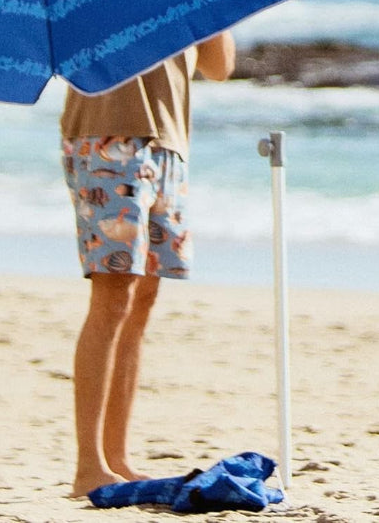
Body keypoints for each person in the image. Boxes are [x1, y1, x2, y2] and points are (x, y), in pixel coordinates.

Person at [60, 32, 236, 496]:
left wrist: (216, 9)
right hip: (108, 134)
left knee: (142, 298)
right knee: (113, 293)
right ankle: (88, 466)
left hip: (170, 142)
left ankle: (115, 456)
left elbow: (219, 68)